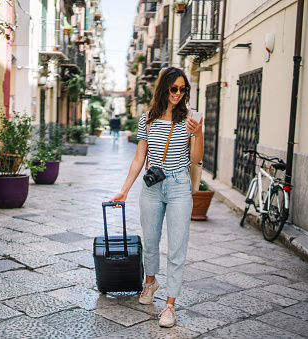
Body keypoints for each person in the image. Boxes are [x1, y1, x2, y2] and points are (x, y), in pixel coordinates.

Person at [109, 67, 203, 328]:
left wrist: (198, 134)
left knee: (177, 248)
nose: (179, 93)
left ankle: (170, 305)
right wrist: (125, 189)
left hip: (179, 185)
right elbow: (140, 157)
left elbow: (196, 159)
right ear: (164, 88)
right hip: (152, 186)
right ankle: (150, 283)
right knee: (150, 241)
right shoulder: (147, 118)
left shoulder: (191, 118)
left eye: (183, 89)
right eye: (174, 88)